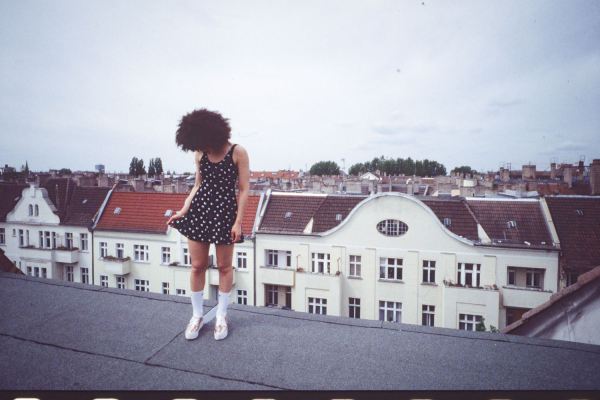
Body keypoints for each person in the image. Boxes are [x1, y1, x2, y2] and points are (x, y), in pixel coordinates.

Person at [166, 108, 250, 341]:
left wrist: (238, 222)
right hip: (200, 211)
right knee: (197, 266)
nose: (202, 148)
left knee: (224, 267)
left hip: (225, 213)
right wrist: (184, 209)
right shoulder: (199, 153)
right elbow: (197, 185)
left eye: (204, 143)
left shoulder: (237, 152)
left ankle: (221, 315)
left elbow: (244, 190)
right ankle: (197, 316)